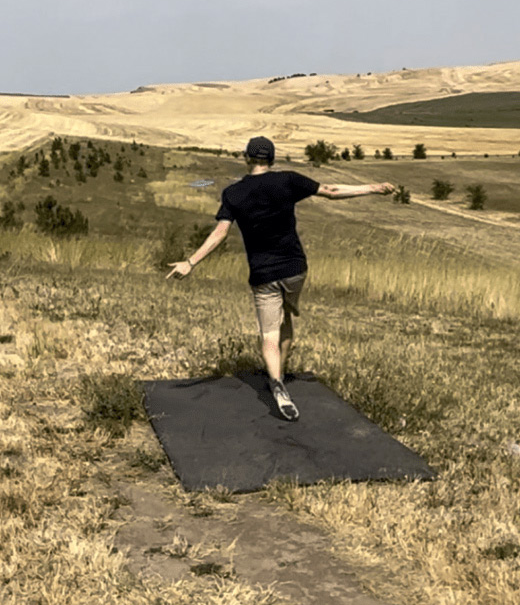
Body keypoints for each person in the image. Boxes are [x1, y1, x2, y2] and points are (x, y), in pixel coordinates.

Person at [166, 136, 395, 421]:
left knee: (269, 334)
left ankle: (276, 383)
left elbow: (220, 233)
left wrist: (191, 262)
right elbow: (332, 191)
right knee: (286, 319)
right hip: (295, 269)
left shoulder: (233, 193)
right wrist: (373, 188)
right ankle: (281, 374)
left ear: (247, 158)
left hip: (263, 274)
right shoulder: (288, 180)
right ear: (271, 159)